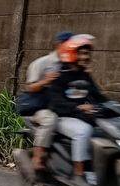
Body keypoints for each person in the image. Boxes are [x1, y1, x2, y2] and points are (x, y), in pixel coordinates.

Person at [47, 34, 106, 186]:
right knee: (83, 131)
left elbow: (99, 97)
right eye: (82, 53)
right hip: (63, 118)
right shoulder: (60, 75)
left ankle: (96, 171)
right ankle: (79, 174)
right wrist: (77, 107)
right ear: (72, 53)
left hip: (82, 117)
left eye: (87, 53)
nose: (86, 57)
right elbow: (56, 102)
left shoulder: (85, 75)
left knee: (104, 133)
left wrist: (113, 105)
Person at [24, 31, 74, 171]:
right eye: (70, 44)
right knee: (50, 119)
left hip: (63, 107)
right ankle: (37, 157)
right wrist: (46, 81)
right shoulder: (41, 63)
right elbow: (30, 87)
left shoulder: (71, 65)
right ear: (59, 45)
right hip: (40, 108)